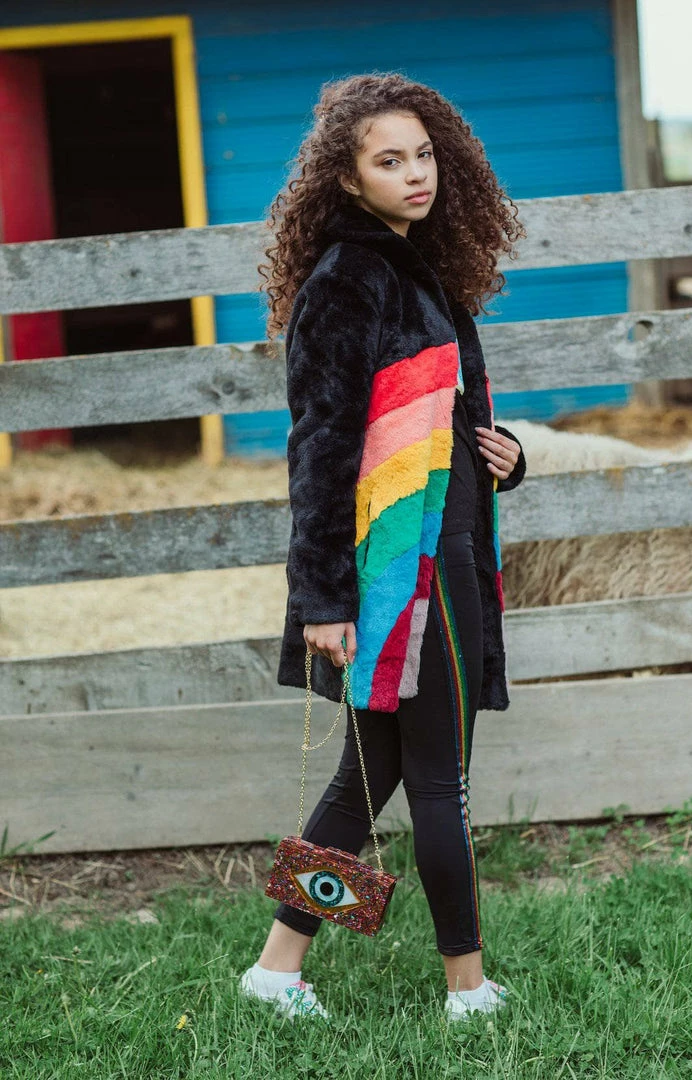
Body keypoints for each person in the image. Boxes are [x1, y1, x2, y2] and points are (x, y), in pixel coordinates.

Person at [239, 72, 527, 1023]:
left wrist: (503, 456)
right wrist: (322, 599)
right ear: (348, 179)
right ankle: (468, 991)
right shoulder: (349, 280)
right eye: (389, 160)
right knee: (440, 781)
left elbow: (426, 434)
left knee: (367, 780)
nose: (415, 174)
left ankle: (276, 970)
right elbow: (321, 451)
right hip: (404, 574)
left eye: (424, 155)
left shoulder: (415, 270)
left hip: (437, 553)